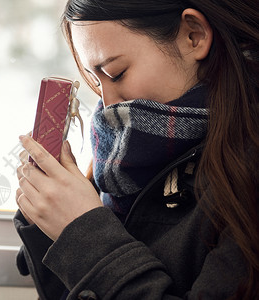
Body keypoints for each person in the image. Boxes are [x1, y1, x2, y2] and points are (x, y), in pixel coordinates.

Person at [14, 0, 259, 299]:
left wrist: (84, 233)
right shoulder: (124, 158)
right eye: (95, 79)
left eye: (116, 73)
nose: (108, 103)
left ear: (193, 36)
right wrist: (49, 216)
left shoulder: (247, 167)